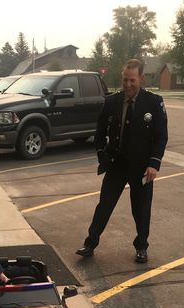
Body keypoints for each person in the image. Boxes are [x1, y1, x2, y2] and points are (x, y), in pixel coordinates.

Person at [76, 58, 168, 263]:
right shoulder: (111, 102)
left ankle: (142, 247)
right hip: (117, 164)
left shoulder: (153, 103)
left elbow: (161, 136)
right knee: (104, 205)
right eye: (125, 80)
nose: (128, 84)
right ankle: (90, 243)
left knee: (141, 209)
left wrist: (154, 164)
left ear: (141, 78)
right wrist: (103, 156)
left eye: (132, 80)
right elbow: (99, 133)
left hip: (142, 167)